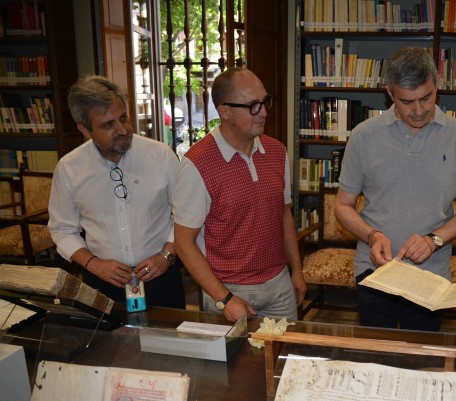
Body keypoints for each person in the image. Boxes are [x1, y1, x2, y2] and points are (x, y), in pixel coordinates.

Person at [335, 46, 456, 331]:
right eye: (407, 101)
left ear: (436, 85)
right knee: (376, 357)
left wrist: (434, 240)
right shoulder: (364, 136)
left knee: (421, 359)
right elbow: (343, 206)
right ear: (390, 92)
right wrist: (372, 235)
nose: (419, 110)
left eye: (426, 97)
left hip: (431, 275)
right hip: (375, 270)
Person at [173, 68, 306, 322]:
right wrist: (224, 298)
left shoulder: (277, 152)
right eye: (254, 106)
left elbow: (284, 215)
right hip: (230, 290)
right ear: (225, 111)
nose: (264, 112)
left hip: (279, 285)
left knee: (284, 358)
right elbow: (183, 243)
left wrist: (296, 271)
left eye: (265, 102)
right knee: (236, 362)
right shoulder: (197, 164)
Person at [48, 75, 185, 308]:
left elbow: (186, 216)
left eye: (123, 118)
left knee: (170, 341)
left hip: (162, 275)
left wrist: (166, 256)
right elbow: (62, 229)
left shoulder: (161, 156)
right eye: (108, 125)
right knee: (109, 343)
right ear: (84, 129)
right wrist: (93, 264)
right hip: (101, 280)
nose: (123, 129)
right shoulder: (69, 169)